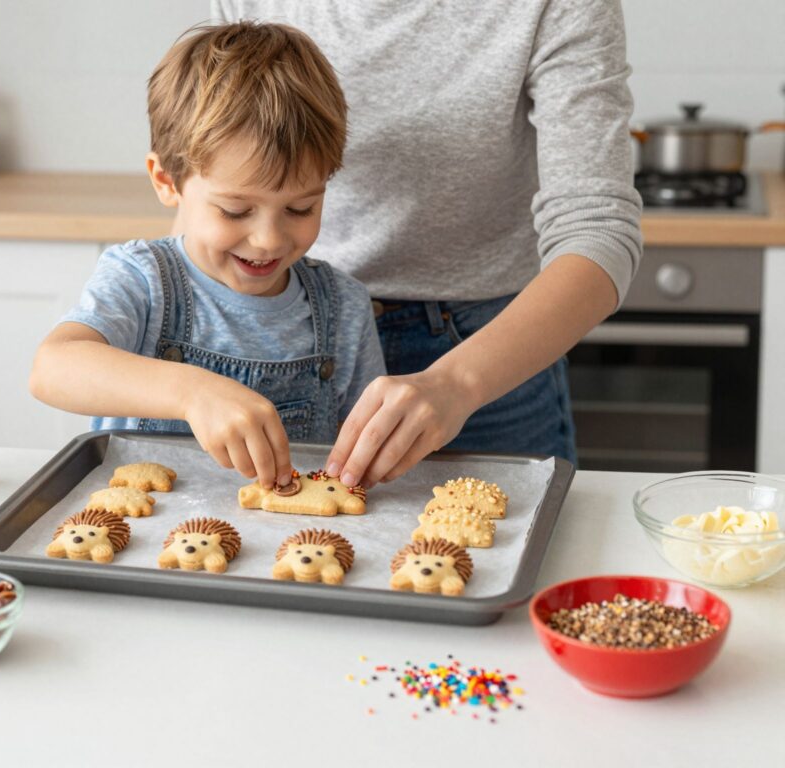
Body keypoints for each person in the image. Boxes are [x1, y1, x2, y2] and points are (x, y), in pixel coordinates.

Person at [213, 1, 644, 487]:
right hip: (287, 333)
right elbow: (222, 154)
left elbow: (598, 230)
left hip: (488, 354)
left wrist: (457, 383)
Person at [29, 21, 385, 490]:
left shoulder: (345, 310)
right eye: (235, 210)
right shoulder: (143, 279)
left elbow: (361, 458)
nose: (268, 240)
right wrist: (191, 391)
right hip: (143, 548)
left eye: (301, 208)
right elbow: (53, 368)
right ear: (166, 181)